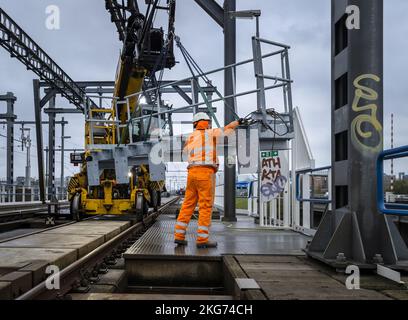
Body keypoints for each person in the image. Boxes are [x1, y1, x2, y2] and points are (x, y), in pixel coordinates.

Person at [174, 112, 245, 248]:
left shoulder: (190, 137)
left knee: (188, 205)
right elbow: (227, 130)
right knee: (205, 206)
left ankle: (179, 236)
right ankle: (202, 240)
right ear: (206, 122)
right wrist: (238, 123)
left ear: (195, 123)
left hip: (192, 173)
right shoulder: (210, 133)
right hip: (205, 173)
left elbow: (185, 151)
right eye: (208, 122)